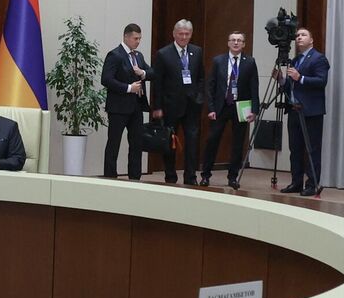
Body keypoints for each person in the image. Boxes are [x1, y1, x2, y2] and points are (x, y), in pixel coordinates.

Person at [200, 30, 259, 189]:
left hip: (241, 107)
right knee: (212, 140)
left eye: (239, 40)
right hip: (221, 106)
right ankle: (205, 175)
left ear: (244, 44)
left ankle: (233, 177)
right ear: (228, 43)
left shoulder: (250, 62)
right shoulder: (218, 60)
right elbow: (210, 86)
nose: (236, 42)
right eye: (233, 40)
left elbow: (254, 87)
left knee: (238, 143)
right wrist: (210, 108)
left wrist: (254, 110)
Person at [149, 19, 205, 185]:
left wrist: (199, 96)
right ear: (174, 34)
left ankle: (190, 177)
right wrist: (157, 107)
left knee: (192, 142)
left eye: (187, 34)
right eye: (181, 34)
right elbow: (157, 83)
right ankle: (170, 176)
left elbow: (201, 77)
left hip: (192, 106)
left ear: (191, 35)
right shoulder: (163, 54)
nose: (184, 37)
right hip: (170, 106)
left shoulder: (197, 51)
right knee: (170, 143)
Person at [276, 27, 327, 196]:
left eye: (303, 35)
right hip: (294, 109)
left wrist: (301, 78)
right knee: (295, 149)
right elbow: (291, 86)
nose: (299, 37)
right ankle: (296, 182)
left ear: (311, 40)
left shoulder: (319, 58)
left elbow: (321, 81)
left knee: (312, 149)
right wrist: (281, 80)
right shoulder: (295, 59)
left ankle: (312, 184)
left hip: (311, 111)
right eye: (297, 35)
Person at [100, 23, 149, 180]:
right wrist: (128, 88)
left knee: (136, 144)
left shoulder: (139, 56)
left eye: (140, 38)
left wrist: (143, 72)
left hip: (136, 107)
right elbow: (106, 79)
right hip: (118, 108)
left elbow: (151, 72)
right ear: (126, 37)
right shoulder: (115, 55)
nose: (138, 41)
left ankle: (135, 178)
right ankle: (110, 177)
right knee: (114, 143)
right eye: (135, 38)